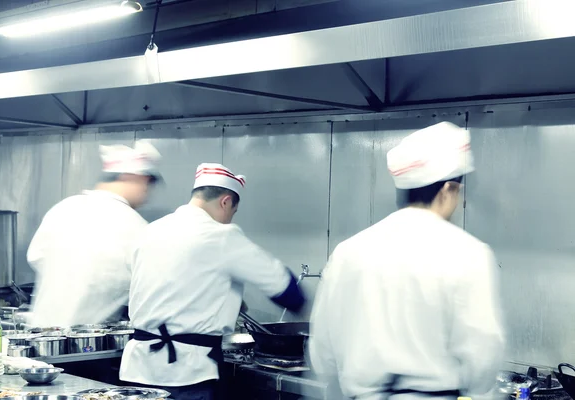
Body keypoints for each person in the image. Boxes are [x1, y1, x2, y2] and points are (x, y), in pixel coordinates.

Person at [309, 122, 505, 400]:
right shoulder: (467, 253)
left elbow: (322, 352)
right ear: (448, 190)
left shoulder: (348, 252)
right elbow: (483, 354)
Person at [120, 163, 306, 399]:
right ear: (225, 201)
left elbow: (163, 285)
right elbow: (284, 287)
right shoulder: (221, 235)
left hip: (138, 370)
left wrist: (224, 297)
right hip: (189, 372)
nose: (229, 219)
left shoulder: (151, 231)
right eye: (233, 212)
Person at [27, 140, 161, 328]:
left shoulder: (64, 207)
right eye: (146, 185)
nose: (146, 193)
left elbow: (36, 257)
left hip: (41, 332)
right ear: (130, 177)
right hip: (90, 341)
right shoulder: (135, 226)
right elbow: (146, 286)